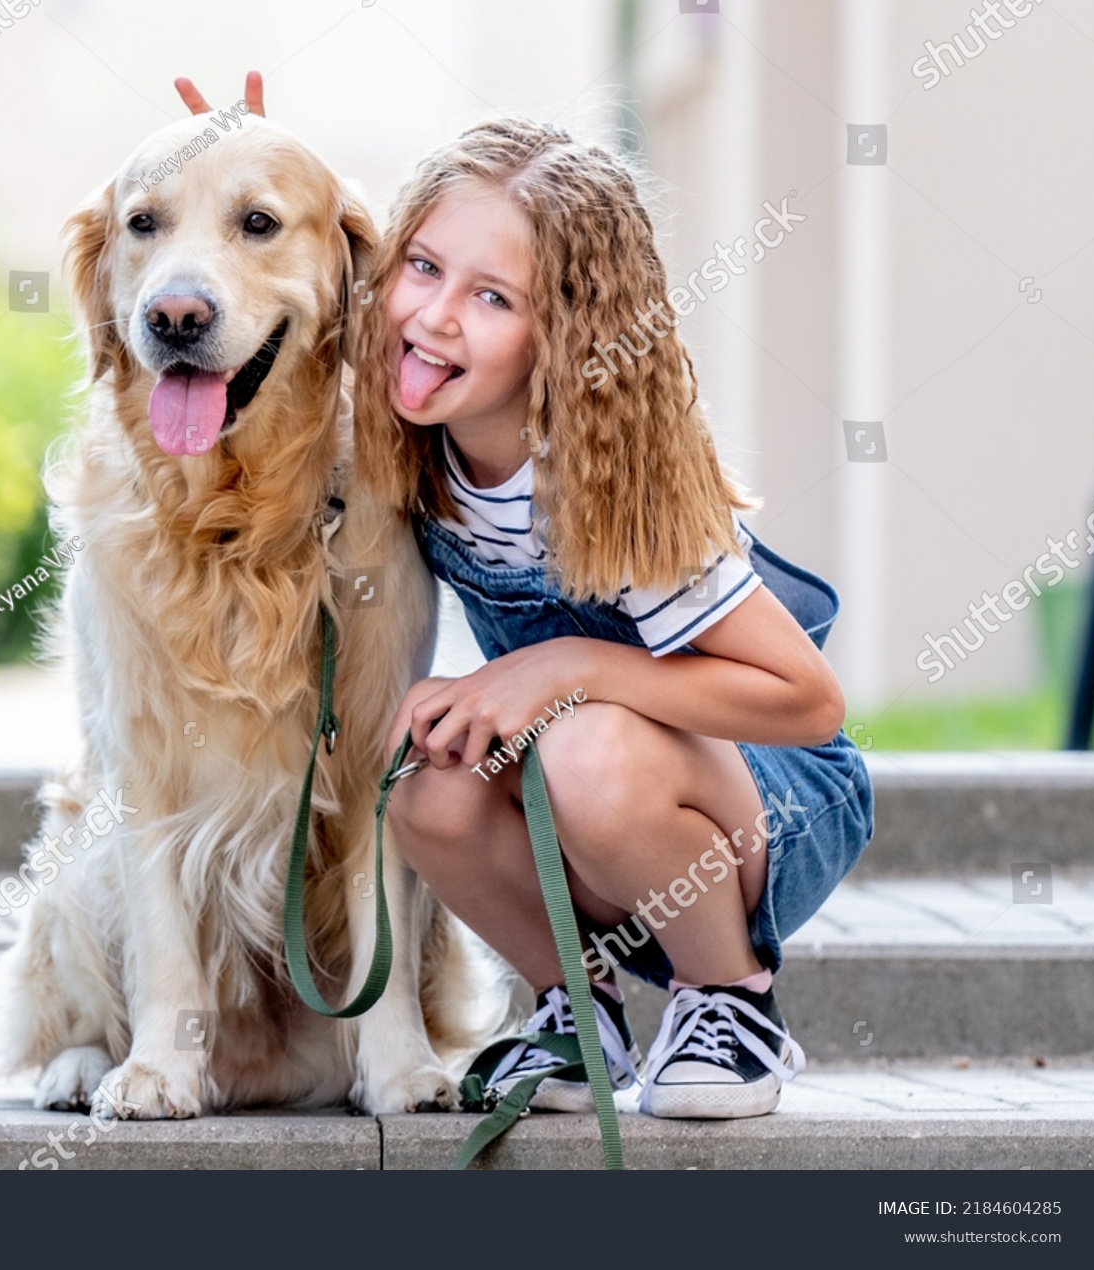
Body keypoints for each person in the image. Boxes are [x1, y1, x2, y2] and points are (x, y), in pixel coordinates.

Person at [175, 74, 874, 1120]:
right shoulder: (412, 441)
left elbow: (808, 701)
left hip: (765, 798)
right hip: (589, 794)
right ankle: (572, 1006)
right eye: (422, 268)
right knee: (419, 779)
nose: (434, 318)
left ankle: (730, 1000)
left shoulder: (605, 485)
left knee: (585, 741)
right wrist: (227, 165)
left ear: (567, 339)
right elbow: (283, 317)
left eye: (493, 299)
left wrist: (563, 667)